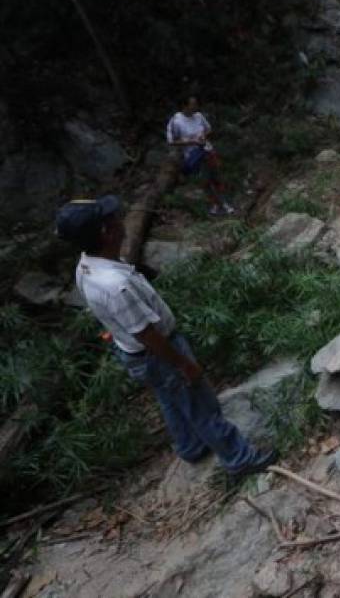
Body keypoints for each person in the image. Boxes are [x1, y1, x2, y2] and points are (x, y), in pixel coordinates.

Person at [56, 196, 276, 477]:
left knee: (170, 397)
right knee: (199, 403)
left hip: (134, 353)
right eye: (113, 218)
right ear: (106, 232)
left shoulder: (87, 265)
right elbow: (147, 334)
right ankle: (239, 458)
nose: (121, 220)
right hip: (159, 352)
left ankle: (190, 446)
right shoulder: (115, 286)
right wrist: (183, 364)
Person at [166, 96, 235, 216]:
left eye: (196, 104)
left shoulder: (198, 116)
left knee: (216, 177)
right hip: (193, 155)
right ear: (185, 106)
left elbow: (208, 129)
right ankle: (215, 204)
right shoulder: (176, 121)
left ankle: (225, 203)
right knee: (204, 181)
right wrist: (191, 142)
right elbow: (171, 141)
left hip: (208, 150)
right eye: (192, 104)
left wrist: (203, 135)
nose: (195, 107)